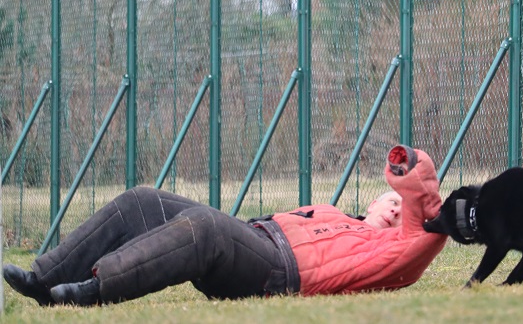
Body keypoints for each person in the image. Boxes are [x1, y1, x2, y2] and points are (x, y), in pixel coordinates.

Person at [3, 145, 447, 306]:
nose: (393, 209)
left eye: (400, 206)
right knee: (143, 201)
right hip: (254, 237)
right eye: (389, 200)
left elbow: (423, 222)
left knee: (204, 228)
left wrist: (411, 181)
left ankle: (94, 290)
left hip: (277, 270)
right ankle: (46, 278)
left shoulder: (392, 253)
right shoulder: (333, 212)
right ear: (372, 199)